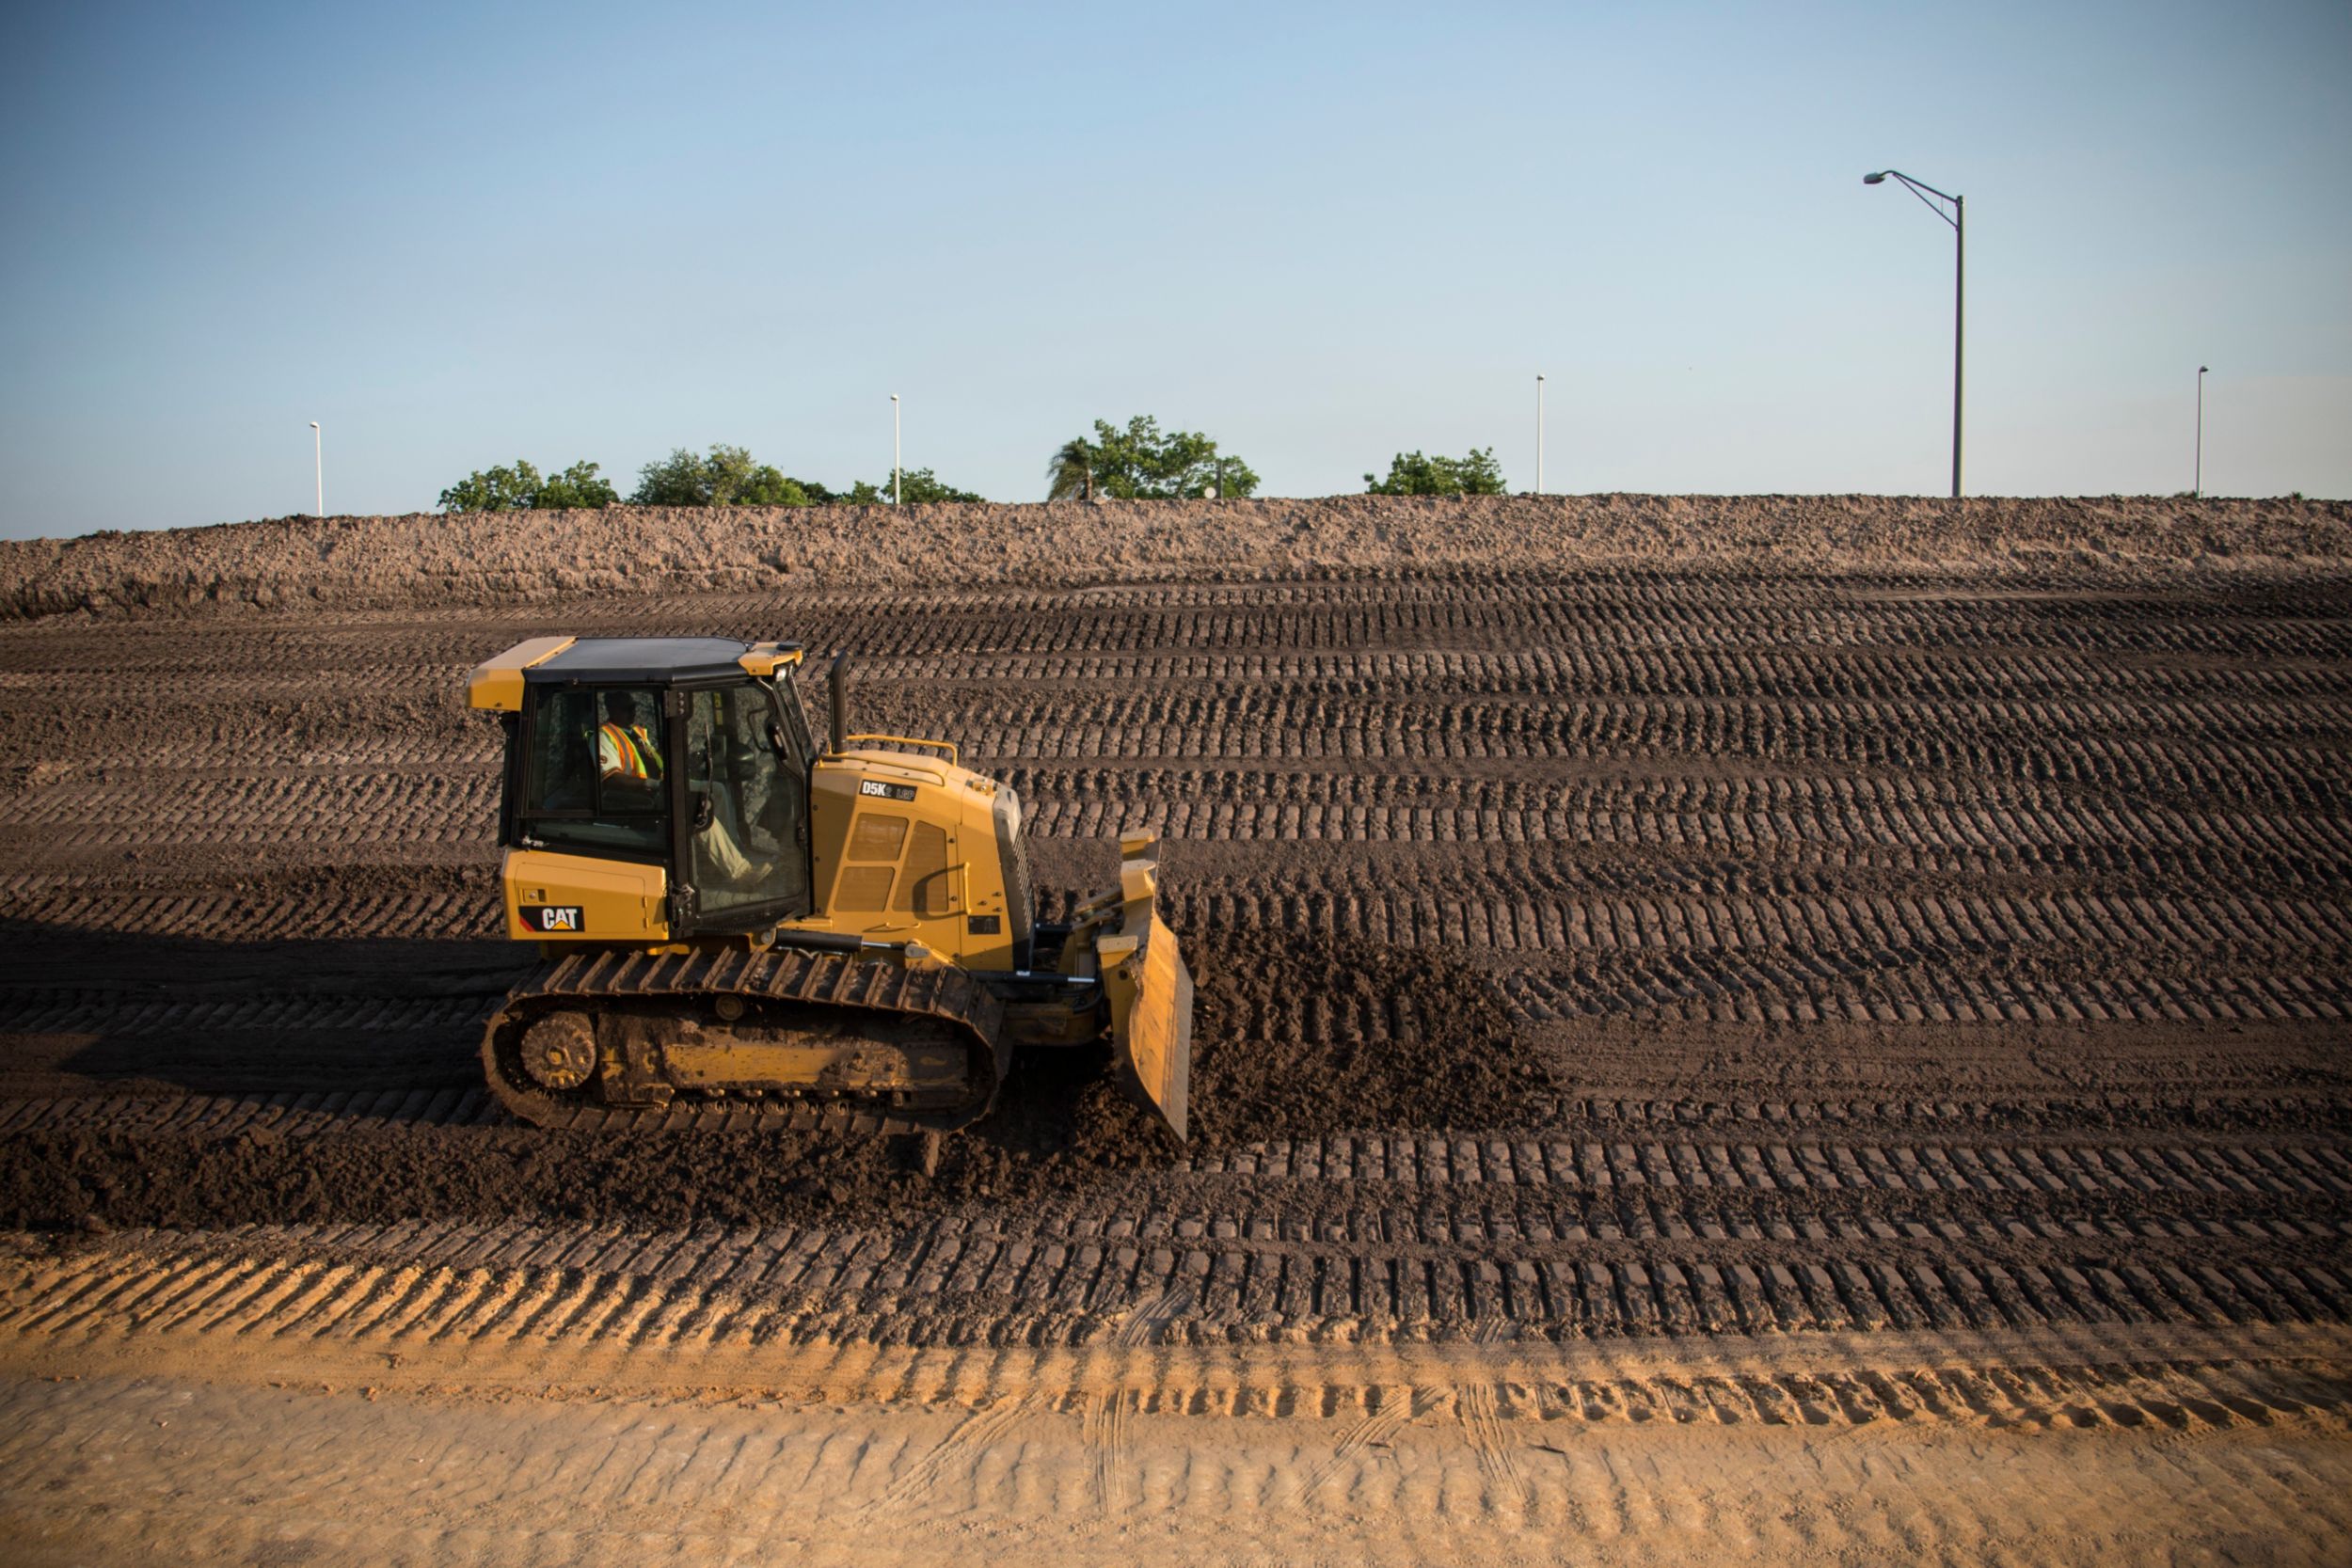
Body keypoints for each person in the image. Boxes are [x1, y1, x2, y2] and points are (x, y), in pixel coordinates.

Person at [597, 691, 663, 788]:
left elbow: (650, 760)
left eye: (633, 707)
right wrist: (652, 783)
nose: (633, 712)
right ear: (612, 710)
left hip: (657, 790)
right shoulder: (604, 736)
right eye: (626, 709)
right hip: (633, 797)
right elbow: (612, 779)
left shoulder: (637, 733)